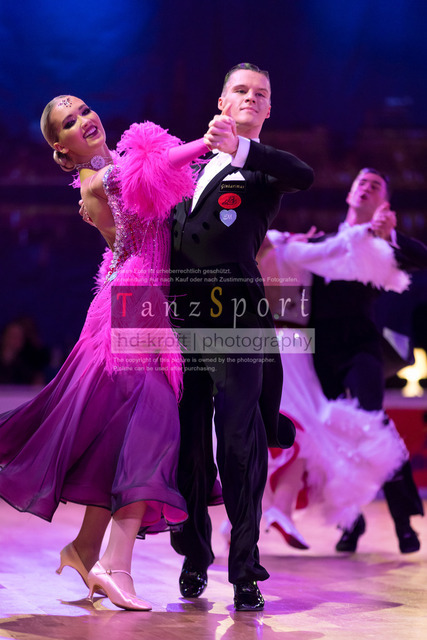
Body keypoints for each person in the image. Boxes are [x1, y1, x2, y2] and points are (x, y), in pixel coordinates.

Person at [0, 95, 212, 611]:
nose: (84, 120)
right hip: (129, 301)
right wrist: (208, 142)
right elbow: (153, 169)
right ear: (62, 148)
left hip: (147, 301)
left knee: (124, 432)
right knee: (153, 422)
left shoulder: (115, 169)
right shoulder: (98, 180)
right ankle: (116, 567)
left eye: (83, 110)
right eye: (69, 122)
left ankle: (84, 548)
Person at [169, 63, 314, 611]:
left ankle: (245, 567)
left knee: (238, 441)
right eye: (241, 90)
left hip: (237, 316)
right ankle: (193, 556)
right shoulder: (187, 168)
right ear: (221, 101)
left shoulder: (264, 168)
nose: (251, 97)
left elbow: (304, 174)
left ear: (268, 109)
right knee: (189, 445)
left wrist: (241, 149)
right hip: (184, 320)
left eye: (261, 94)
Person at [271, 168, 426, 554]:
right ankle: (350, 522)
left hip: (361, 349)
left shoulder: (382, 245)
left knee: (373, 423)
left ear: (383, 202)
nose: (366, 188)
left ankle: (403, 521)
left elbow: (420, 258)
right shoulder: (321, 243)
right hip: (318, 354)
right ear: (350, 193)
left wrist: (389, 235)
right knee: (329, 436)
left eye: (376, 186)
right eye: (362, 183)